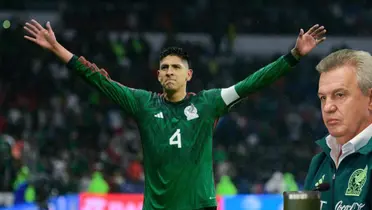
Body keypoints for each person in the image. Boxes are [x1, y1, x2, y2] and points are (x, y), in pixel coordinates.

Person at [23, 19, 326, 210]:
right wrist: (59, 50)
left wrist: (293, 57)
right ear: (157, 76)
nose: (169, 72)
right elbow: (99, 80)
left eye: (175, 67)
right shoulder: (143, 104)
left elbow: (250, 84)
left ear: (189, 74)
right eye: (164, 68)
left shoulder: (209, 104)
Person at [304, 49, 372, 210]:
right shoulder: (319, 162)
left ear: (370, 100)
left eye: (340, 95)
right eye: (323, 98)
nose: (328, 107)